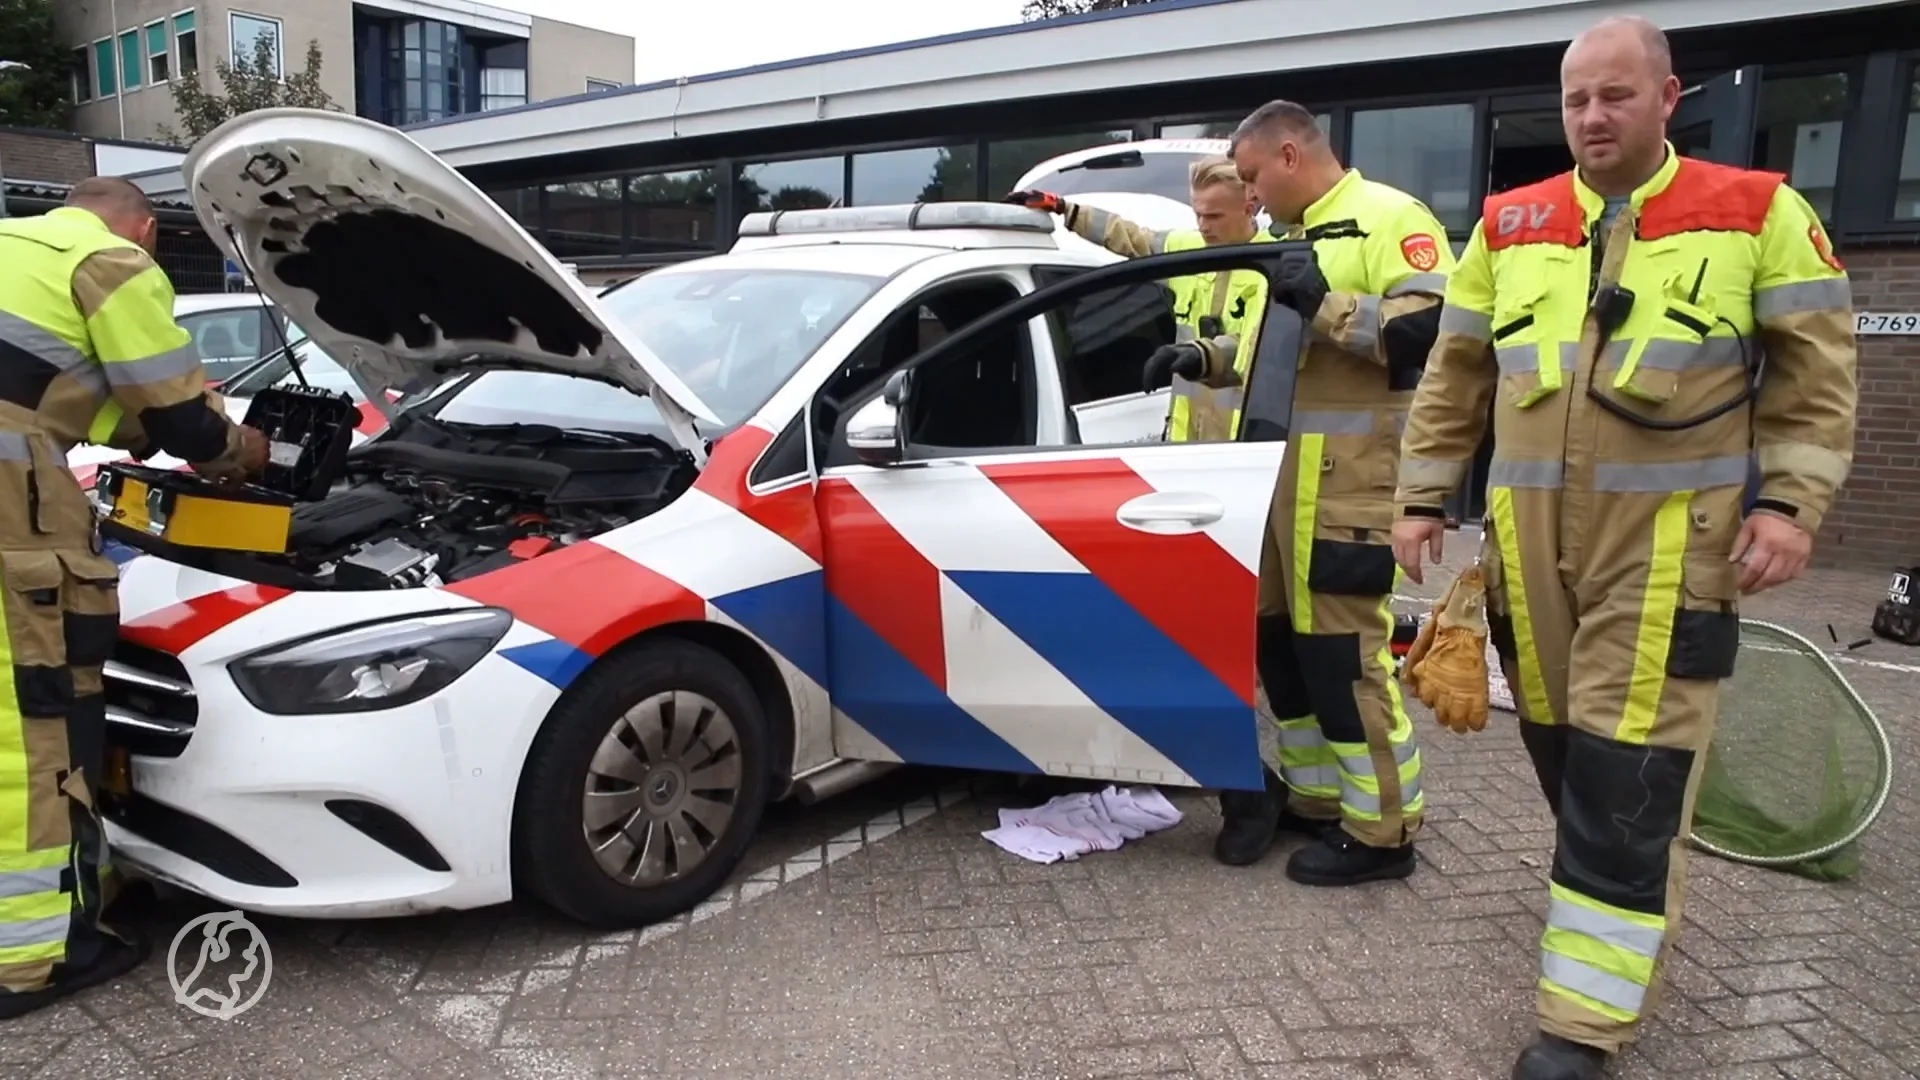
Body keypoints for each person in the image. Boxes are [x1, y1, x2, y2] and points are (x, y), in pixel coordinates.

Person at [1389, 18, 1856, 1079]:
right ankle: (1616, 905)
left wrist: (1787, 506)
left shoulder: (1756, 212)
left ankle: (1582, 1029)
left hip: (1671, 555)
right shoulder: (1510, 226)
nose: (1592, 118)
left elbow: (1816, 379)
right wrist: (1422, 498)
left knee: (1624, 780)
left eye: (1614, 96)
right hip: (1528, 556)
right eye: (1576, 101)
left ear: (1667, 96)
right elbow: (1456, 375)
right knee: (1567, 758)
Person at [0, 177, 269, 1018]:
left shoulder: (18, 250)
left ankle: (88, 882)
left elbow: (96, 408)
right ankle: (37, 958)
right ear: (147, 230)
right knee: (33, 733)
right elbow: (186, 426)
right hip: (12, 507)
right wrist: (248, 451)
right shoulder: (110, 261)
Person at [1214, 100, 1452, 882]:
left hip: (1349, 482)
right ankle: (1318, 799)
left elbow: (1429, 334)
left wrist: (1323, 301)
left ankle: (1385, 832)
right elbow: (1269, 354)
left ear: (1289, 156)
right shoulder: (1285, 238)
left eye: (1251, 180)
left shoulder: (1390, 218)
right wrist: (1205, 362)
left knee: (1344, 658)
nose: (1248, 198)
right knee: (1279, 649)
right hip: (1277, 485)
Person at [1005, 154, 1270, 442]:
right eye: (1198, 215)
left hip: (1243, 443)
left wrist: (1204, 356)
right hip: (1185, 440)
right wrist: (1065, 209)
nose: (1204, 226)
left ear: (1249, 208)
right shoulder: (1188, 247)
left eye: (1214, 216)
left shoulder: (1276, 262)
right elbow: (1129, 236)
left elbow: (1259, 351)